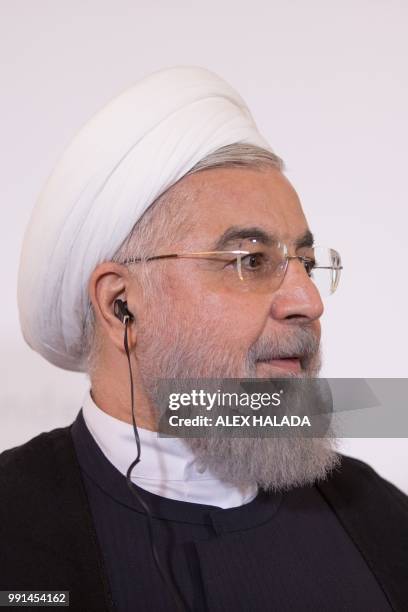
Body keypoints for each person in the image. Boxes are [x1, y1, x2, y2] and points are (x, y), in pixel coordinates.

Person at [1, 66, 407, 612]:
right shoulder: (15, 529)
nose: (308, 302)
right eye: (250, 261)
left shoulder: (378, 519)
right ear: (122, 305)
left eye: (306, 263)